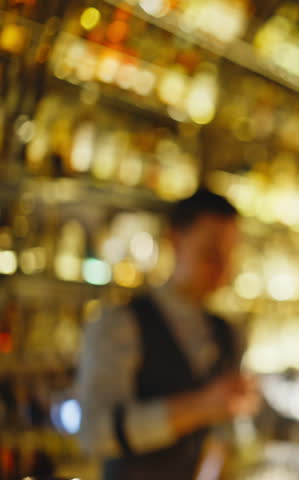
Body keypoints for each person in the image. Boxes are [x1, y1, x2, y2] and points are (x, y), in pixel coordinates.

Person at [76, 189, 259, 480]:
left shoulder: (229, 333)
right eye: (210, 251)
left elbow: (221, 442)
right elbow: (94, 434)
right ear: (174, 241)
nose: (223, 266)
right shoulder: (120, 323)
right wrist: (202, 406)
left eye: (229, 252)